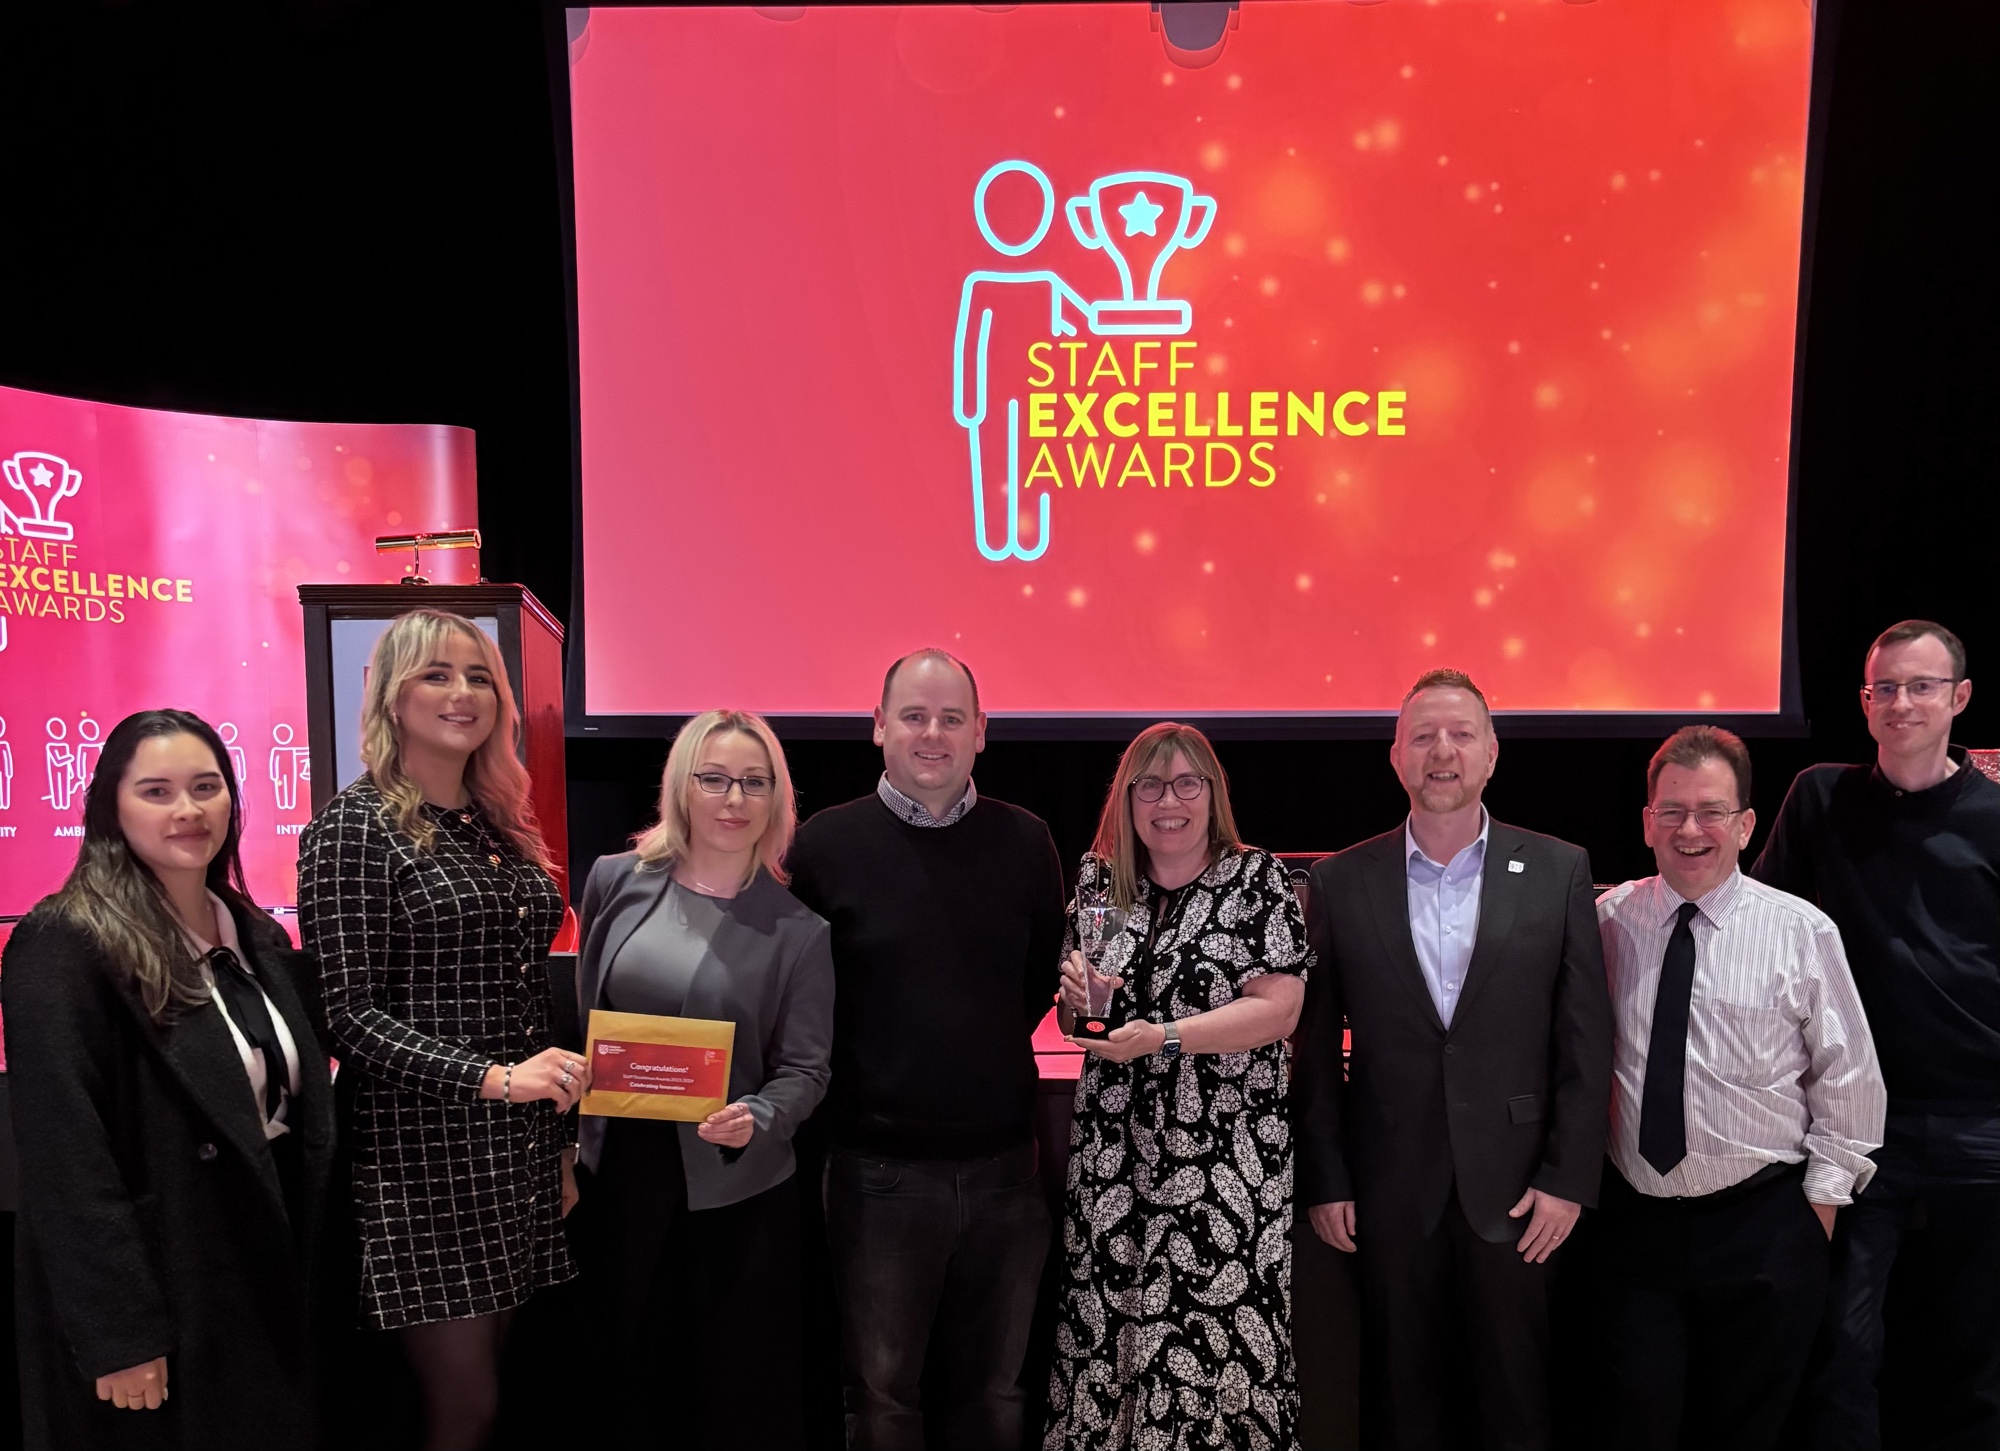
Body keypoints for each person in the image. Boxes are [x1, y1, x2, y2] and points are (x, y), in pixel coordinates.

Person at [1293, 668, 1613, 1451]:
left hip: (1522, 1193)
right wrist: (1328, 1177)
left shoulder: (1559, 868)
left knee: (1518, 1404)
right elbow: (1315, 1047)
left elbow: (1584, 1038)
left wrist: (1568, 1178)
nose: (1443, 752)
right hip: (1387, 1192)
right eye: (1424, 736)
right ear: (1395, 755)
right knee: (1402, 1408)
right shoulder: (1339, 880)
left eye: (1461, 734)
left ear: (1491, 753)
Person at [2, 709, 335, 1450]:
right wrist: (120, 1335)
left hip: (261, 1274)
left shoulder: (256, 934)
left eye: (206, 787)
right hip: (161, 1288)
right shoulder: (63, 943)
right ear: (111, 807)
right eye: (156, 791)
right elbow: (65, 1161)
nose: (188, 809)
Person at [296, 608, 579, 1451]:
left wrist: (558, 1144)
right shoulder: (353, 827)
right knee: (463, 1407)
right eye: (437, 674)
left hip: (515, 1152)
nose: (463, 693)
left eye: (480, 677)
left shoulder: (497, 822)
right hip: (419, 1160)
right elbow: (348, 1016)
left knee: (500, 1395)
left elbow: (524, 993)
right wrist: (497, 1080)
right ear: (392, 695)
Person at [787, 648, 1065, 1451]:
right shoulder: (823, 845)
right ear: (879, 727)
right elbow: (805, 1000)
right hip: (876, 1175)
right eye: (914, 716)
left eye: (952, 718)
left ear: (981, 731)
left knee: (996, 1396)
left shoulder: (1027, 841)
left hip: (1007, 1170)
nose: (933, 734)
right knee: (881, 1400)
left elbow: (1035, 981)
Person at [1595, 726, 1885, 1450]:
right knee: (1632, 1425)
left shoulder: (1801, 930)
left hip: (1764, 1229)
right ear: (1647, 822)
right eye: (1672, 811)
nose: (1690, 830)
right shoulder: (1606, 922)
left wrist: (1815, 1215)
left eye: (1712, 811)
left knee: (1747, 1435)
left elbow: (1849, 1078)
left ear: (1747, 824)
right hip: (1635, 1228)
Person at [1753, 620, 2000, 1449]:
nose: (1902, 703)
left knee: (1977, 1353)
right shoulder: (1820, 798)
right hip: (1855, 1123)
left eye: (1921, 686)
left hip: (1981, 1118)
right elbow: (1762, 926)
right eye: (1885, 687)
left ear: (1959, 698)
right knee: (1842, 1345)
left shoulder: (1994, 816)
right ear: (1864, 701)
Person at [1042, 723, 1311, 1450]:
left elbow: (1280, 1009)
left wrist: (1163, 1036)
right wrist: (1077, 1003)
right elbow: (1077, 1018)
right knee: (1107, 1340)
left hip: (1225, 1167)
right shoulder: (1100, 882)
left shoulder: (1256, 879)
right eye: (1151, 786)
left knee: (1215, 1348)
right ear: (1126, 799)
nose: (1170, 802)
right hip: (1112, 1161)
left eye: (1188, 783)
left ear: (1213, 794)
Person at [571, 709, 835, 1448]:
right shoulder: (614, 881)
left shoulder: (799, 929)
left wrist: (759, 1115)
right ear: (681, 786)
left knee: (732, 1399)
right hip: (620, 1175)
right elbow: (583, 1018)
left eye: (755, 782)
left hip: (732, 1185)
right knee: (628, 1383)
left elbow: (806, 1070)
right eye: (714, 778)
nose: (734, 799)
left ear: (777, 798)